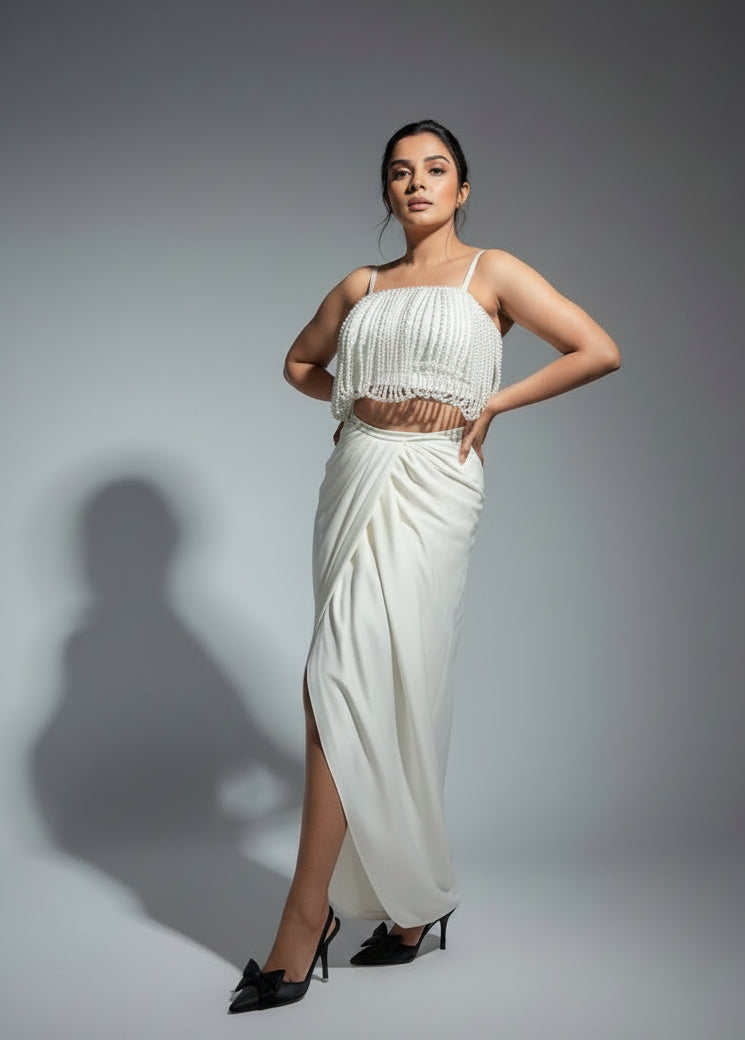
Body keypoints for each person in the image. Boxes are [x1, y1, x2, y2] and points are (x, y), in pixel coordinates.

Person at [228, 119, 621, 1014]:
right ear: (385, 192)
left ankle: (316, 917)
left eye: (435, 169)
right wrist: (360, 410)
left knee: (398, 681)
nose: (417, 184)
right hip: (359, 476)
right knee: (339, 676)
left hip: (437, 488)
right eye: (400, 172)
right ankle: (391, 911)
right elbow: (298, 364)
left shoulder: (496, 273)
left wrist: (494, 406)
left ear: (463, 187)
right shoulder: (361, 285)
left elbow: (598, 349)